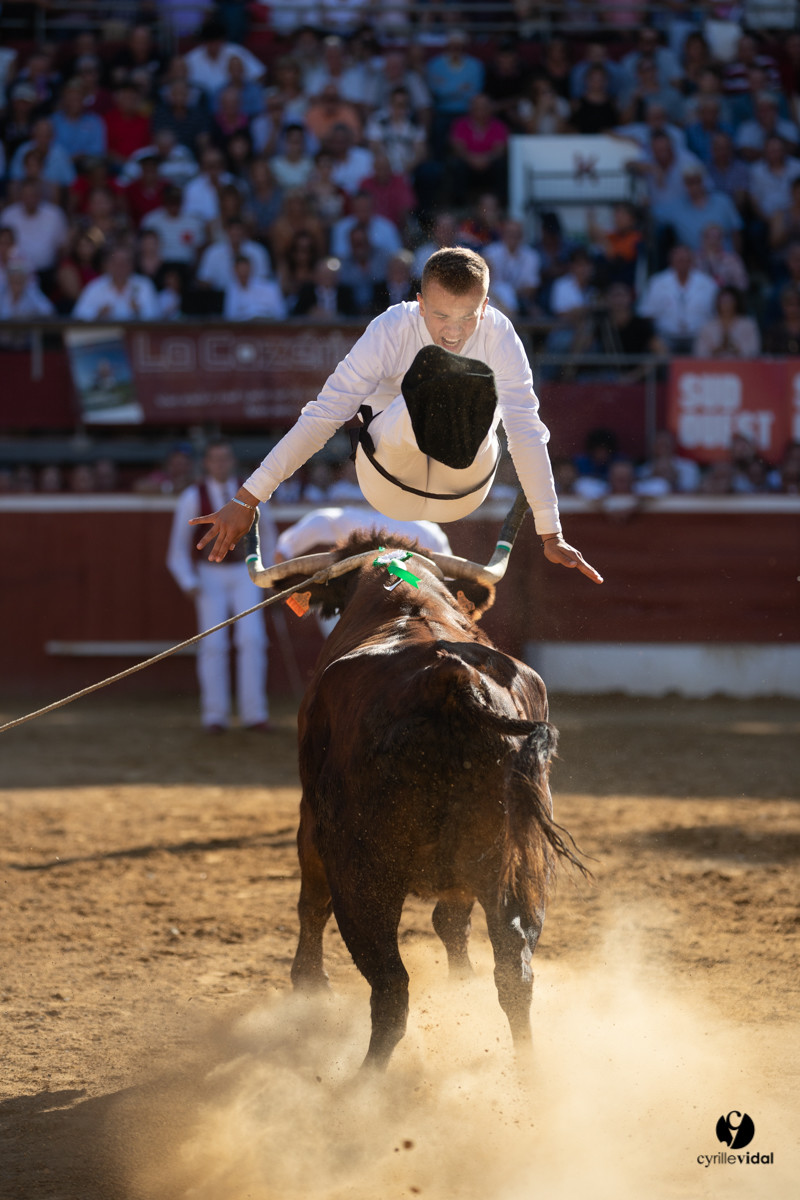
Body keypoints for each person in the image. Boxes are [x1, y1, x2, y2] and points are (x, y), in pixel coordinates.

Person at [190, 246, 602, 585]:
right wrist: (247, 498)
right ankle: (443, 397)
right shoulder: (392, 327)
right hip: (388, 476)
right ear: (420, 303)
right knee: (439, 376)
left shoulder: (500, 334)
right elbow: (325, 413)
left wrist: (552, 531)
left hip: (463, 488)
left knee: (479, 394)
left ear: (486, 306)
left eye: (467, 318)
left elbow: (527, 431)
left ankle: (456, 404)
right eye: (440, 316)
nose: (453, 333)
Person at [167, 439, 275, 733]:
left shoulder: (252, 492)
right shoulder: (193, 495)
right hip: (208, 575)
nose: (220, 464)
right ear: (207, 463)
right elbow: (177, 549)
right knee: (213, 643)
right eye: (215, 459)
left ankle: (255, 714)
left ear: (232, 461)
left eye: (225, 459)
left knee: (252, 639)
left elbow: (268, 533)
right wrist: (188, 581)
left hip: (244, 572)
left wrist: (267, 573)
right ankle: (215, 715)